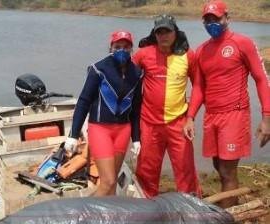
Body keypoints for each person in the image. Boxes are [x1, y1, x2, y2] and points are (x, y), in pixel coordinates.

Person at [183, 0, 270, 208]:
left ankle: (226, 223)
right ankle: (231, 210)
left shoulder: (243, 43)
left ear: (227, 18)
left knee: (227, 170)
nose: (212, 23)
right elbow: (199, 88)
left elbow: (261, 78)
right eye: (208, 20)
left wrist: (266, 117)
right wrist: (190, 117)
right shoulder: (202, 51)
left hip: (235, 114)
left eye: (216, 19)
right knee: (217, 165)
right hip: (212, 116)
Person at [64, 30, 143, 196]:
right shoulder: (99, 69)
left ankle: (109, 219)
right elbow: (84, 101)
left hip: (123, 131)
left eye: (126, 47)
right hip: (100, 129)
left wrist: (136, 138)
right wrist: (73, 134)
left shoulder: (137, 73)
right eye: (118, 46)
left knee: (112, 182)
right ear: (111, 47)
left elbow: (136, 109)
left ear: (131, 49)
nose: (122, 50)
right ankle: (88, 219)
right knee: (108, 181)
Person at [133, 14, 201, 198]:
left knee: (185, 168)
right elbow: (126, 79)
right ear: (154, 34)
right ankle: (147, 207)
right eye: (159, 32)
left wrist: (191, 118)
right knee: (146, 170)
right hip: (149, 123)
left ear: (175, 32)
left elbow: (199, 87)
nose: (163, 36)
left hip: (178, 123)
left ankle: (189, 207)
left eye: (167, 31)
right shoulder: (143, 54)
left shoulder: (188, 55)